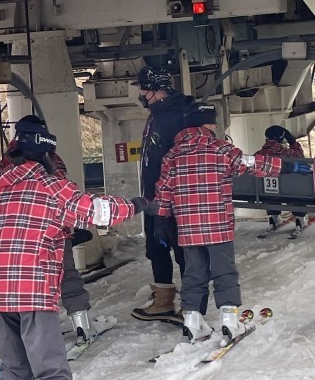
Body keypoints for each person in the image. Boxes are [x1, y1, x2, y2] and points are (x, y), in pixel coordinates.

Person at [0, 117, 148, 380]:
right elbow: (97, 211)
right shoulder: (53, 188)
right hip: (33, 292)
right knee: (48, 369)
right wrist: (136, 205)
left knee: (10, 367)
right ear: (47, 154)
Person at [153, 102, 308, 346]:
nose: (216, 126)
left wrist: (161, 220)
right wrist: (289, 167)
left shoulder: (172, 155)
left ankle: (192, 321)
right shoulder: (221, 149)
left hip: (188, 228)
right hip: (218, 225)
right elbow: (254, 164)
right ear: (207, 124)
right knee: (224, 270)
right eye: (214, 122)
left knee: (193, 272)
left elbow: (163, 191)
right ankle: (230, 321)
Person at [0, 115, 99, 347]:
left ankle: (23, 340)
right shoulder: (53, 158)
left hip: (11, 236)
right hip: (53, 232)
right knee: (67, 274)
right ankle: (82, 326)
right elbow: (66, 193)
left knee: (17, 286)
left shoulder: (10, 160)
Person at [130, 66, 194, 323]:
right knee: (156, 248)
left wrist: (165, 198)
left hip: (172, 199)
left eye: (143, 89)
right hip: (152, 198)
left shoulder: (176, 117)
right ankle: (163, 300)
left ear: (155, 91)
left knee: (182, 250)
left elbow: (175, 161)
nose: (141, 94)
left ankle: (191, 304)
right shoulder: (156, 116)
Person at [255, 125, 308, 235]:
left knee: (269, 190)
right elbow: (301, 156)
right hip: (291, 193)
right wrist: (292, 142)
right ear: (281, 138)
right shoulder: (287, 153)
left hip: (265, 194)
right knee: (296, 187)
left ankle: (274, 217)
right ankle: (300, 219)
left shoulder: (258, 155)